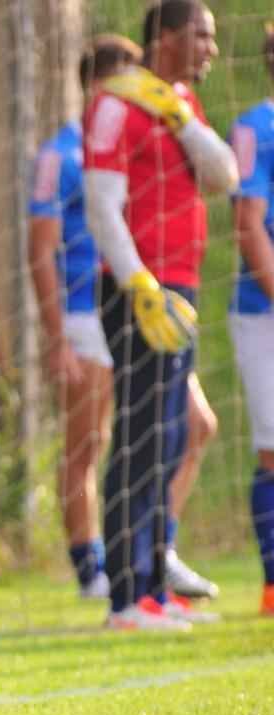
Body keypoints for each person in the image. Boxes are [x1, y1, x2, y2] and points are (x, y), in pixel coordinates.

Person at [83, 0, 237, 630]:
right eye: (202, 35)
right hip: (137, 294)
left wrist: (180, 117)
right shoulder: (116, 103)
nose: (212, 49)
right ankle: (124, 598)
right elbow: (101, 207)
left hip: (180, 292)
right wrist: (139, 283)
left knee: (171, 436)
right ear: (167, 37)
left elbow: (224, 175)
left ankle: (154, 587)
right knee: (140, 439)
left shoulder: (176, 106)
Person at [28, 35, 141, 600]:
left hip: (135, 310)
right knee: (88, 442)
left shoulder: (132, 152)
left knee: (192, 426)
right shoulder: (60, 155)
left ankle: (151, 550)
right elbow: (39, 249)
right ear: (99, 86)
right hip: (82, 316)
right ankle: (89, 566)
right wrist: (57, 340)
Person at [227, 23, 274, 617]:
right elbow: (248, 227)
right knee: (273, 448)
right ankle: (272, 582)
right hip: (262, 315)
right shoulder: (254, 127)